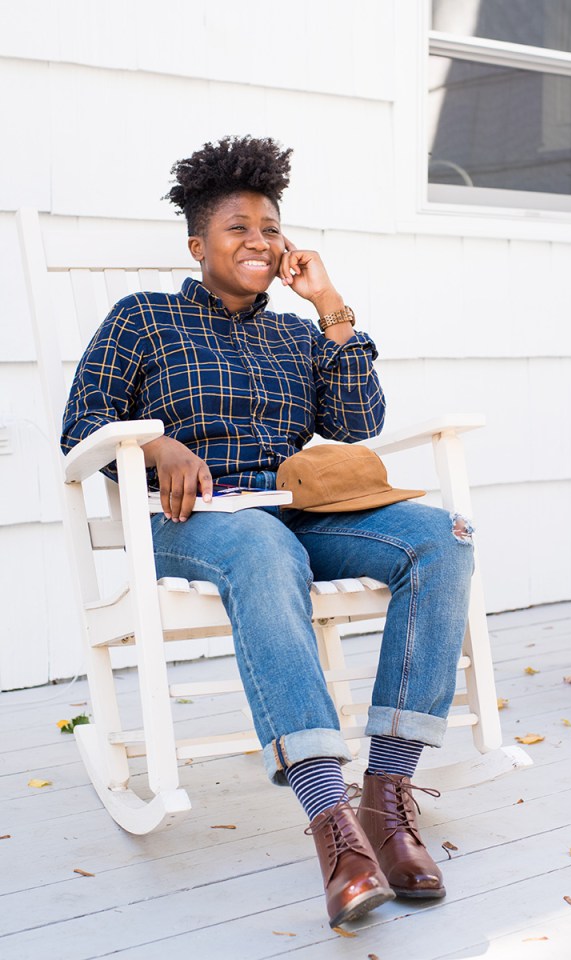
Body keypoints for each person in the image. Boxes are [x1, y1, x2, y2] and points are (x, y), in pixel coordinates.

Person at [61, 135, 474, 928]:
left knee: (440, 535)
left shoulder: (295, 332)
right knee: (260, 544)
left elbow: (358, 423)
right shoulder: (142, 319)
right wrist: (157, 443)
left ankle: (384, 800)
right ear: (197, 244)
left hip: (297, 512)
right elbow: (81, 421)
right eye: (237, 228)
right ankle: (334, 829)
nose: (259, 241)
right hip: (192, 521)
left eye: (271, 228)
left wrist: (329, 307)